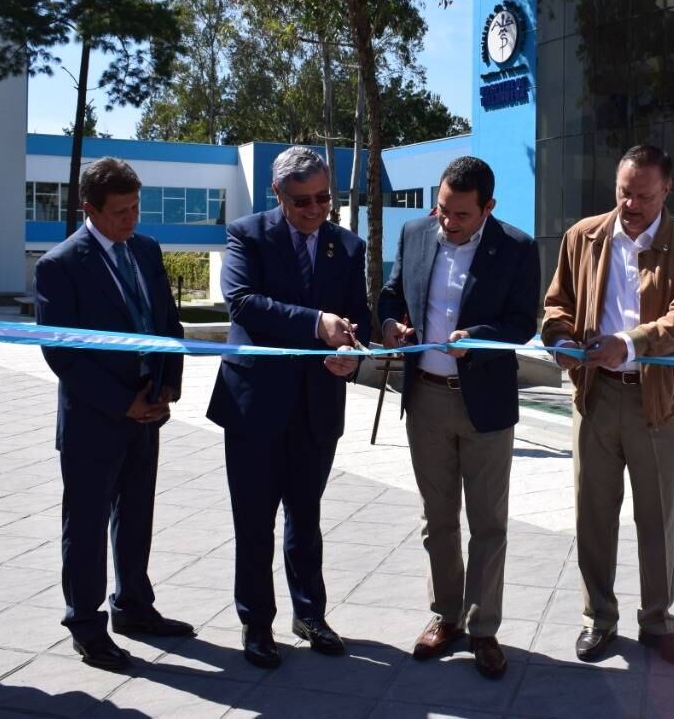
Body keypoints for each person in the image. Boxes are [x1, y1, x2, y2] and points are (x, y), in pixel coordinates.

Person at [541, 143, 674, 666]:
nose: (631, 205)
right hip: (595, 396)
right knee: (593, 514)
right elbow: (557, 303)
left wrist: (630, 343)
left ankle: (657, 622)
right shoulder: (583, 236)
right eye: (623, 193)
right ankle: (598, 619)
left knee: (656, 516)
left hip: (656, 401)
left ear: (667, 190)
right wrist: (558, 337)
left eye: (644, 195)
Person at [206, 146, 370, 669]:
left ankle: (310, 614)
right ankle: (257, 623)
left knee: (306, 517)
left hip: (317, 406)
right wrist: (316, 324)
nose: (316, 209)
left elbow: (358, 318)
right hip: (255, 407)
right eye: (302, 201)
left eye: (324, 198)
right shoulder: (248, 235)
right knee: (254, 522)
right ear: (277, 194)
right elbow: (243, 303)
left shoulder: (347, 245)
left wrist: (351, 353)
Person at [378, 157, 540, 679]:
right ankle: (446, 616)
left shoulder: (516, 248)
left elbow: (522, 322)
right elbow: (391, 293)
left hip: (485, 404)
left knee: (488, 522)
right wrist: (389, 324)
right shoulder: (415, 233)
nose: (447, 222)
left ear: (488, 207)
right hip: (425, 398)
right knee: (438, 518)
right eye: (442, 209)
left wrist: (479, 339)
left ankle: (483, 628)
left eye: (461, 215)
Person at [34, 158, 190, 673]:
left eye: (136, 207)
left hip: (148, 409)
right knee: (86, 524)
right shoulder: (60, 266)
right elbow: (63, 354)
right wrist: (124, 402)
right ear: (89, 208)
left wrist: (167, 386)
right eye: (120, 211)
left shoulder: (145, 249)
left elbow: (167, 321)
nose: (131, 219)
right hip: (95, 419)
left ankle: (134, 606)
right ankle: (86, 624)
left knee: (137, 515)